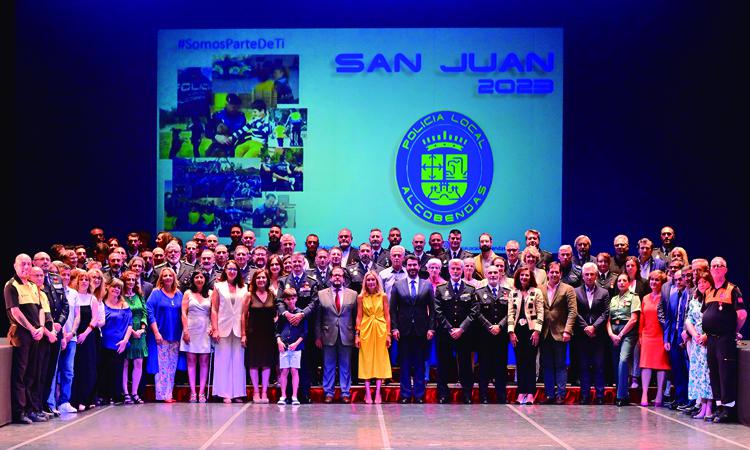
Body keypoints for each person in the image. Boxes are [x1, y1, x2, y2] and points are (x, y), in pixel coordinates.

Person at [703, 257, 746, 423]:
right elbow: (705, 314)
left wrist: (734, 330)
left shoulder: (732, 289)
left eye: (719, 266)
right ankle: (719, 407)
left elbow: (742, 314)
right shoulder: (709, 291)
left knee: (725, 374)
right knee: (714, 373)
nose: (716, 268)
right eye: (713, 266)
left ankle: (729, 410)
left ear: (725, 269)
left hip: (725, 339)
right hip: (711, 340)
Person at [4, 255, 45, 424]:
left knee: (33, 373)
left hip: (36, 334)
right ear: (15, 265)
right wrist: (32, 328)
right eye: (23, 264)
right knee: (20, 374)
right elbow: (15, 312)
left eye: (29, 264)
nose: (26, 267)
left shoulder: (34, 286)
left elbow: (40, 309)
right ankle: (20, 412)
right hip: (22, 334)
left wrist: (41, 327)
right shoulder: (11, 286)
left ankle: (31, 409)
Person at [390, 255, 435, 403]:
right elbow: (392, 310)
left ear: (419, 266)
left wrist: (431, 328)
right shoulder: (398, 285)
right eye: (409, 265)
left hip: (422, 331)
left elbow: (433, 310)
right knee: (405, 364)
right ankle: (405, 395)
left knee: (420, 364)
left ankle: (419, 394)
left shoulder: (426, 285)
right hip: (403, 331)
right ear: (406, 266)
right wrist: (394, 328)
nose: (412, 268)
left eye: (415, 265)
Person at [434, 258, 478, 404]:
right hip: (445, 333)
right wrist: (449, 328)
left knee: (465, 364)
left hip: (464, 334)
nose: (455, 271)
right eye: (453, 268)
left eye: (458, 269)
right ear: (449, 270)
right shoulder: (440, 288)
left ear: (463, 270)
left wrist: (461, 328)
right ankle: (443, 394)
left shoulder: (470, 289)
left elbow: (473, 311)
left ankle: (467, 394)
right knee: (444, 364)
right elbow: (437, 311)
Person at [316, 266, 358, 403]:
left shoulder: (353, 294)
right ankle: (329, 392)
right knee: (328, 365)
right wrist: (318, 336)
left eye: (340, 275)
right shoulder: (321, 294)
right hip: (327, 335)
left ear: (344, 278)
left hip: (347, 334)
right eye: (335, 275)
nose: (337, 277)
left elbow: (356, 316)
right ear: (330, 278)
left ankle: (345, 392)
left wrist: (357, 334)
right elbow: (318, 318)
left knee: (346, 365)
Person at [210, 260, 247, 403]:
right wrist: (215, 329)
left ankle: (237, 393)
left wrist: (244, 333)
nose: (232, 271)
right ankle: (224, 393)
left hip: (238, 328)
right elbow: (214, 309)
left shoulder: (244, 288)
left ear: (238, 272)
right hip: (222, 327)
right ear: (225, 270)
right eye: (229, 268)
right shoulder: (218, 286)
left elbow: (245, 312)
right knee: (222, 361)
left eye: (235, 269)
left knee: (238, 361)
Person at [540, 262, 577, 404]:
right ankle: (550, 395)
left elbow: (573, 312)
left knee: (561, 365)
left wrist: (568, 330)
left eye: (557, 272)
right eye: (552, 272)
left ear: (561, 274)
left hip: (561, 333)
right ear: (547, 273)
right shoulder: (539, 289)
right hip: (544, 333)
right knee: (547, 365)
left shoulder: (568, 289)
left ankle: (561, 394)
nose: (554, 274)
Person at [574, 262, 611, 404]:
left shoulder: (604, 292)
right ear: (582, 276)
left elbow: (606, 312)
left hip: (598, 335)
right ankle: (585, 395)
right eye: (586, 274)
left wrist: (594, 327)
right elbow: (574, 312)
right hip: (582, 335)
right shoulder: (575, 291)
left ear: (596, 275)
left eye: (592, 274)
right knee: (583, 366)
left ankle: (600, 395)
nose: (589, 277)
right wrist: (585, 327)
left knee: (599, 365)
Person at [507, 266, 544, 405]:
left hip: (531, 331)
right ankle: (521, 392)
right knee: (520, 362)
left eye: (527, 275)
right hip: (517, 331)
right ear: (518, 277)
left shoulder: (537, 292)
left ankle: (530, 393)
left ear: (531, 277)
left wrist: (537, 331)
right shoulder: (513, 293)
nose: (524, 278)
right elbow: (510, 313)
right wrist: (511, 331)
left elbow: (541, 313)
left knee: (530, 362)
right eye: (522, 275)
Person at [146, 267, 184, 403]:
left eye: (170, 275)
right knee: (162, 367)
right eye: (165, 276)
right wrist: (156, 332)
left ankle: (169, 393)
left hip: (176, 335)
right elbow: (149, 312)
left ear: (174, 278)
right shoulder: (156, 293)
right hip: (161, 336)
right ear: (161, 278)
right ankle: (162, 395)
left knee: (172, 366)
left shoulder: (179, 294)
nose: (168, 277)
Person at [474, 264, 510, 404]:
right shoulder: (478, 292)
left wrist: (500, 326)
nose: (494, 275)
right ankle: (483, 396)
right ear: (486, 275)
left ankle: (501, 395)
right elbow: (477, 313)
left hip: (501, 336)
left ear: (500, 274)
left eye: (496, 272)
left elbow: (510, 313)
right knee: (484, 366)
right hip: (484, 336)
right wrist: (490, 326)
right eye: (491, 273)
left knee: (501, 366)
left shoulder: (507, 292)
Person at [355, 271, 392, 404]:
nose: (371, 282)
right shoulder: (360, 297)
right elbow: (359, 316)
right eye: (368, 280)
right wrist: (357, 335)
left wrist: (388, 334)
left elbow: (387, 315)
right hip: (366, 330)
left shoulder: (383, 296)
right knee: (366, 360)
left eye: (373, 280)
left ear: (377, 282)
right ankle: (367, 392)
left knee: (379, 360)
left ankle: (377, 392)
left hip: (381, 330)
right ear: (365, 282)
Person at [242, 269, 278, 403]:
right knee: (254, 364)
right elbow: (243, 316)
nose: (261, 280)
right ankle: (256, 392)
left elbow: (275, 314)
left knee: (267, 363)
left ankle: (264, 392)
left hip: (268, 333)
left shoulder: (272, 294)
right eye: (258, 278)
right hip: (253, 333)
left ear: (267, 280)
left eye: (263, 278)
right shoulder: (249, 295)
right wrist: (244, 334)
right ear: (254, 280)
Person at [607, 273, 641, 406]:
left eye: (624, 280)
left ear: (629, 283)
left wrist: (620, 335)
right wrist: (611, 334)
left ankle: (621, 396)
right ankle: (622, 393)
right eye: (619, 281)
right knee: (616, 363)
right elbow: (608, 320)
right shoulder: (614, 299)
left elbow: (634, 319)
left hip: (627, 331)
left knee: (623, 360)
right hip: (614, 331)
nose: (621, 283)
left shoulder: (634, 297)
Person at [69, 269, 101, 412]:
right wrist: (75, 333)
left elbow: (95, 318)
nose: (84, 282)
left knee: (88, 367)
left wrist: (85, 333)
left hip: (88, 335)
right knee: (76, 367)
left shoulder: (91, 298)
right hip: (74, 334)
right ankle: (74, 399)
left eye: (86, 280)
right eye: (81, 279)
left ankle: (85, 399)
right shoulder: (74, 296)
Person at [638, 270, 670, 407]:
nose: (653, 282)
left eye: (657, 280)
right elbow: (642, 318)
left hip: (661, 336)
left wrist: (667, 338)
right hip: (647, 335)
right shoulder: (645, 298)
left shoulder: (666, 297)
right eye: (651, 279)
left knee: (661, 365)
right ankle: (644, 394)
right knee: (645, 365)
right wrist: (640, 335)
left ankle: (659, 395)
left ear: (662, 283)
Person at [180, 271, 213, 403]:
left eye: (202, 277)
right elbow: (183, 312)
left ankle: (202, 392)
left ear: (205, 279)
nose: (199, 279)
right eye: (197, 277)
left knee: (204, 362)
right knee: (191, 362)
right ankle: (193, 392)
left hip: (205, 329)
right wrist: (185, 330)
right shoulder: (188, 293)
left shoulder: (211, 293)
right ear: (193, 279)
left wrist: (212, 327)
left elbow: (214, 312)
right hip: (191, 329)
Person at [100, 278, 133, 404]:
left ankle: (116, 396)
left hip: (120, 343)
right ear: (108, 287)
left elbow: (130, 324)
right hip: (105, 343)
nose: (116, 289)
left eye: (119, 288)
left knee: (118, 370)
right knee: (105, 370)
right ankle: (105, 396)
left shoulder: (124, 305)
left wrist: (125, 340)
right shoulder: (102, 303)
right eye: (114, 287)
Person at [685, 272, 713, 419]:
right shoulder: (694, 300)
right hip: (696, 341)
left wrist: (705, 336)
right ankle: (702, 406)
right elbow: (688, 320)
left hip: (709, 340)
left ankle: (709, 407)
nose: (701, 285)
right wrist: (694, 334)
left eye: (705, 282)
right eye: (699, 282)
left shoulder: (713, 300)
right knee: (698, 374)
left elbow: (717, 320)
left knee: (707, 375)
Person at [663, 268, 691, 409]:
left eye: (681, 279)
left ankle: (689, 400)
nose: (679, 282)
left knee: (687, 369)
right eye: (676, 279)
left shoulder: (690, 294)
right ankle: (680, 398)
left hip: (686, 337)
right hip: (673, 338)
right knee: (677, 370)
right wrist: (666, 339)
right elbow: (668, 319)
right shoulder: (673, 295)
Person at [276, 288, 307, 405]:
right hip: (284, 346)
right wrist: (279, 341)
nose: (291, 301)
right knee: (284, 371)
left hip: (296, 347)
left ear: (296, 299)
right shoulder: (282, 314)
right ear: (284, 300)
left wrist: (296, 343)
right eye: (288, 299)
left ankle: (294, 396)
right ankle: (283, 395)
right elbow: (277, 330)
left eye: (293, 298)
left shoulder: (301, 313)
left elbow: (304, 332)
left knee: (294, 370)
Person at [121, 270, 147, 405]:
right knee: (125, 363)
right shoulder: (120, 297)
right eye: (128, 280)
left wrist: (142, 328)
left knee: (138, 363)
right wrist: (131, 332)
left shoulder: (139, 295)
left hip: (140, 333)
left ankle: (135, 392)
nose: (131, 282)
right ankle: (125, 393)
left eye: (133, 280)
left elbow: (144, 313)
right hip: (126, 331)